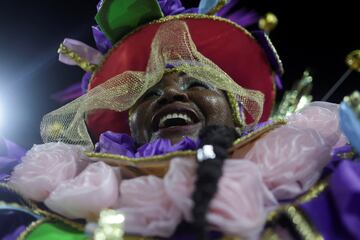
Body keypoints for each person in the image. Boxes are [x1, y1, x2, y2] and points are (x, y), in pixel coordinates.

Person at [1, 0, 359, 239]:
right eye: (149, 93)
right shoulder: (70, 204)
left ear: (237, 110)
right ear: (129, 126)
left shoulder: (319, 179)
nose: (172, 95)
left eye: (198, 84)